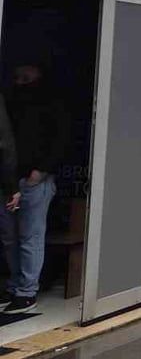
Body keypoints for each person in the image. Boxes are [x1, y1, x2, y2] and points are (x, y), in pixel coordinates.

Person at [0, 65, 60, 314]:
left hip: (34, 180)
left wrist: (41, 171)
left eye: (26, 77)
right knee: (9, 237)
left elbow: (61, 139)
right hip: (8, 179)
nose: (20, 82)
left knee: (29, 236)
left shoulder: (50, 104)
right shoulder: (11, 104)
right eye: (17, 78)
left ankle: (27, 291)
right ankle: (15, 285)